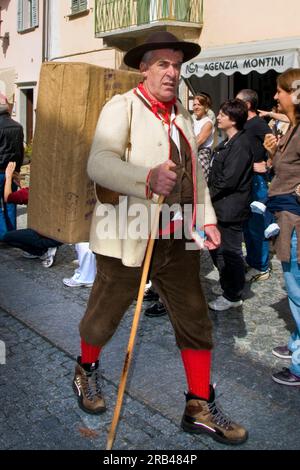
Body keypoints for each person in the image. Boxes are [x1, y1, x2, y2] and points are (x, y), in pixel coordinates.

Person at [72, 31, 248, 445]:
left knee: (195, 320)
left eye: (177, 65)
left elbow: (196, 176)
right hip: (129, 232)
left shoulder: (183, 115)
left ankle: (198, 406)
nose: (172, 72)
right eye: (162, 65)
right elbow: (98, 163)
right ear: (144, 68)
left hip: (177, 238)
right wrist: (145, 178)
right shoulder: (123, 107)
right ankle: (86, 371)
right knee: (103, 316)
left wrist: (205, 218)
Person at [263, 69, 300, 386]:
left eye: (279, 90)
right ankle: (296, 344)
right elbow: (284, 172)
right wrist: (274, 152)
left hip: (297, 222)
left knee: (298, 292)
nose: (275, 96)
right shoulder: (292, 129)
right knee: (294, 289)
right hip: (287, 220)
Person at [207, 99, 253, 311]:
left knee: (231, 252)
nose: (218, 117)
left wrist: (207, 194)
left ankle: (233, 294)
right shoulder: (228, 141)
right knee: (219, 250)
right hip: (221, 206)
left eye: (222, 114)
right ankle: (229, 286)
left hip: (231, 208)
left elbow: (229, 179)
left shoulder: (241, 144)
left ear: (233, 119)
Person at [236, 89, 273, 282]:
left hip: (257, 182)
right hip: (245, 180)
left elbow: (276, 145)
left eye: (237, 101)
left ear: (248, 105)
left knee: (257, 224)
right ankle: (253, 261)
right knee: (248, 225)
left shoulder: (258, 123)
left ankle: (261, 267)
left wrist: (267, 163)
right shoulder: (243, 124)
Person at [3, 161, 61, 267]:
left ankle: (44, 250)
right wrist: (20, 185)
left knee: (7, 237)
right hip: (60, 233)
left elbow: (8, 198)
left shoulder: (32, 191)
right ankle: (49, 245)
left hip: (43, 233)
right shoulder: (56, 187)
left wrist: (8, 177)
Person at [0, 92, 24, 240]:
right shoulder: (18, 126)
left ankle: (3, 235)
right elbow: (20, 151)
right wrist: (17, 171)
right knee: (10, 202)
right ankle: (12, 234)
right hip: (11, 171)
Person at [193, 94, 214, 181]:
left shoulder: (208, 123)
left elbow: (199, 141)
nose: (196, 107)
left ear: (206, 107)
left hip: (202, 154)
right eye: (194, 104)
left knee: (200, 182)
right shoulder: (192, 120)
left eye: (199, 104)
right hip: (192, 151)